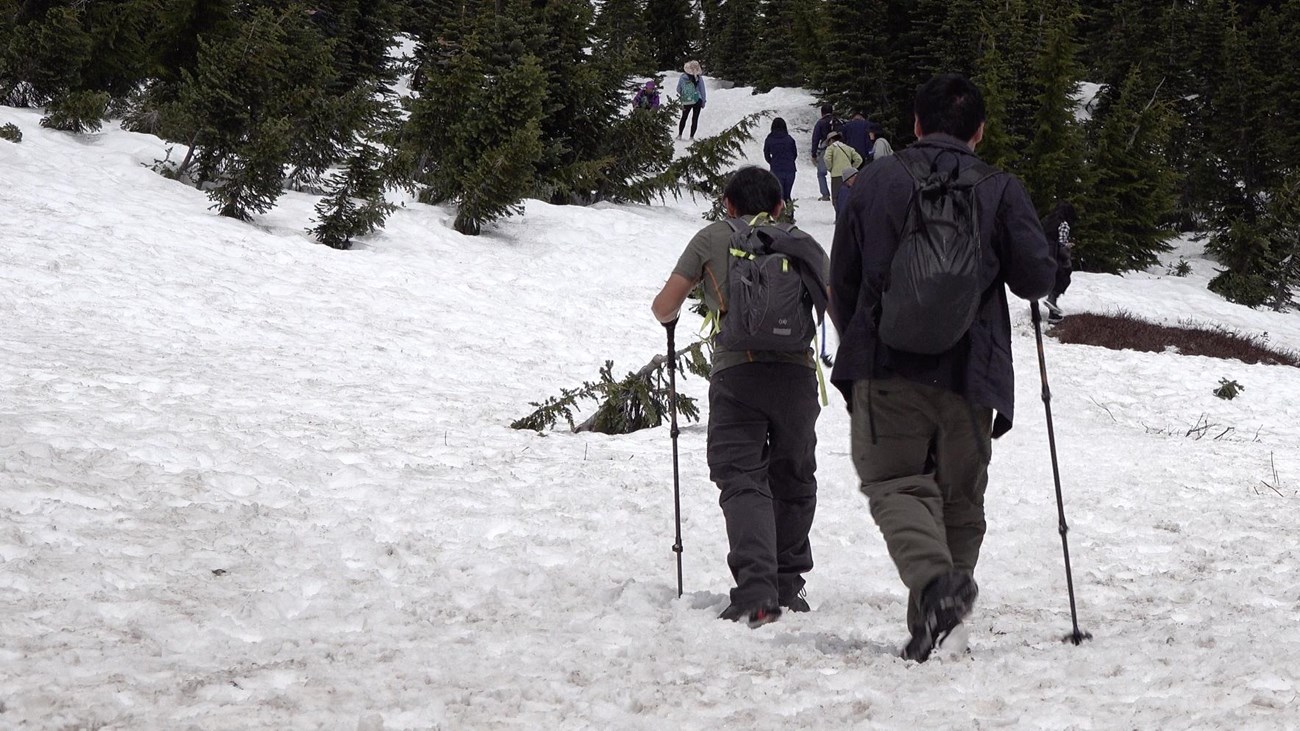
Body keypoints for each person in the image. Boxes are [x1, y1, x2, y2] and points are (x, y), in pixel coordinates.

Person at [828, 73, 1056, 661]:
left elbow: (843, 281)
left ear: (915, 124)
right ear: (980, 131)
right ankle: (939, 625)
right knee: (959, 500)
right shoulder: (1001, 188)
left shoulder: (873, 181)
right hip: (972, 373)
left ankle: (934, 588)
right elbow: (1036, 280)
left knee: (895, 482)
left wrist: (860, 350)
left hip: (887, 365)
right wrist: (1058, 253)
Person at [651, 166, 830, 628]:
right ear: (779, 206)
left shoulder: (711, 237)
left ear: (727, 205)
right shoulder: (802, 242)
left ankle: (756, 593)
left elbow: (663, 306)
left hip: (737, 375)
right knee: (793, 476)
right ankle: (789, 586)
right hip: (796, 377)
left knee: (742, 476)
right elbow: (838, 303)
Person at [1040, 200, 1077, 324]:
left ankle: (1053, 314)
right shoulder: (1064, 224)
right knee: (1064, 277)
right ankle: (1052, 299)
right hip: (1055, 255)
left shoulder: (1047, 221)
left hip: (1042, 253)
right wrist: (1068, 246)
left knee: (1052, 279)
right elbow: (1061, 242)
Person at [822, 130, 862, 216]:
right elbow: (859, 159)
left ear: (830, 140)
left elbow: (826, 159)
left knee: (836, 197)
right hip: (849, 176)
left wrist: (830, 168)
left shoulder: (831, 148)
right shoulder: (847, 147)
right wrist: (852, 168)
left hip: (836, 175)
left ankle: (839, 216)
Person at [763, 117, 798, 206]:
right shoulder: (789, 139)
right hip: (790, 170)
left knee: (779, 195)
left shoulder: (769, 139)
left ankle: (780, 215)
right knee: (787, 195)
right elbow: (794, 154)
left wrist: (772, 162)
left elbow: (766, 154)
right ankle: (790, 215)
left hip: (776, 169)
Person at [810, 104, 839, 201]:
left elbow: (815, 138)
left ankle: (825, 194)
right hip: (838, 148)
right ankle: (838, 193)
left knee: (821, 173)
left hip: (825, 149)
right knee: (837, 172)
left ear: (822, 113)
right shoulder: (837, 121)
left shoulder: (820, 123)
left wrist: (813, 153)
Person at [677, 61, 707, 139]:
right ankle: (691, 136)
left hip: (687, 99)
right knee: (695, 118)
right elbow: (702, 90)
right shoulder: (699, 78)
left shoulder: (683, 77)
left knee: (684, 117)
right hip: (698, 99)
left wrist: (683, 94)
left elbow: (678, 89)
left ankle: (680, 134)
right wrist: (703, 101)